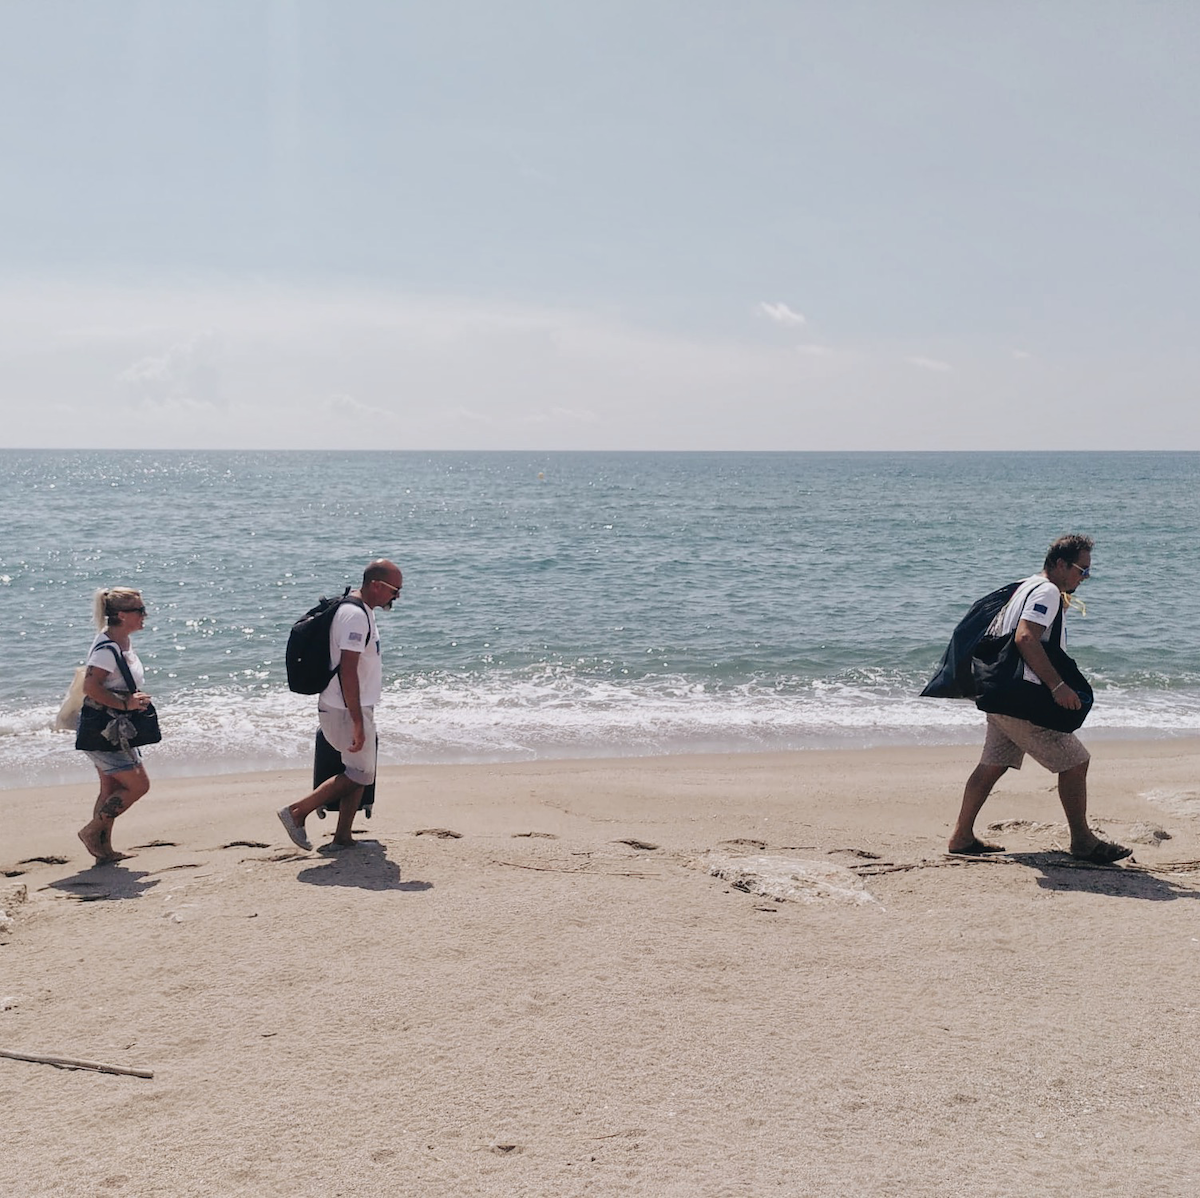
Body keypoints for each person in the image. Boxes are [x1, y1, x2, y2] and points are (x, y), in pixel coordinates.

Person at [948, 534, 1132, 864]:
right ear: (1061, 564)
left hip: (1000, 693)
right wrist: (1058, 686)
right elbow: (1025, 638)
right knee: (1076, 761)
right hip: (1023, 698)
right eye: (1082, 570)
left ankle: (962, 835)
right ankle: (1082, 841)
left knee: (992, 764)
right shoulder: (1046, 591)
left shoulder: (1024, 586)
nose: (1084, 578)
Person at [277, 559, 403, 851]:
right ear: (376, 585)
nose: (396, 597)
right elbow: (348, 670)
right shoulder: (354, 616)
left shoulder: (361, 611)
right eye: (394, 590)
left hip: (349, 706)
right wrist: (358, 720)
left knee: (357, 769)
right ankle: (296, 812)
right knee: (361, 773)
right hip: (345, 709)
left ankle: (342, 837)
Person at [77, 587, 155, 864]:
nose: (145, 615)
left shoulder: (120, 641)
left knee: (110, 788)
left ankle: (104, 849)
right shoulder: (107, 649)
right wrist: (126, 704)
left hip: (112, 727)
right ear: (122, 615)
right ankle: (92, 831)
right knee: (138, 785)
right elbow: (90, 687)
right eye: (140, 610)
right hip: (105, 729)